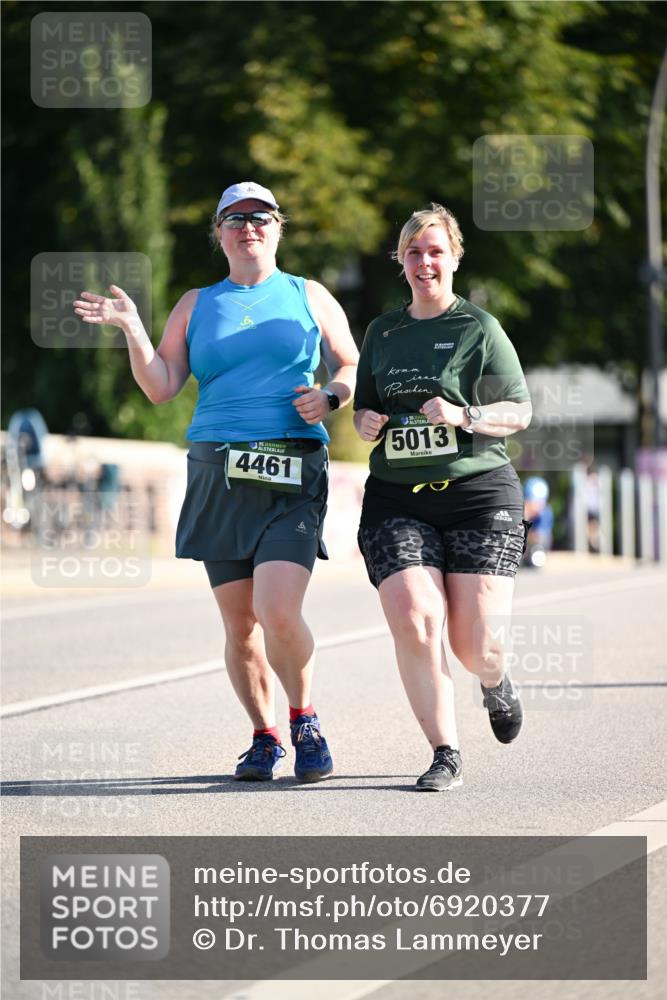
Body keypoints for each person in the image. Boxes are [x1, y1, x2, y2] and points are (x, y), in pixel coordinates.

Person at [74, 180, 359, 783]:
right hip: (217, 469)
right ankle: (264, 736)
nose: (249, 226)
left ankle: (305, 718)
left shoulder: (309, 294)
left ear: (279, 227)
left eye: (261, 217)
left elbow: (351, 363)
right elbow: (161, 386)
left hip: (292, 466)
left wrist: (330, 394)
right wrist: (132, 328)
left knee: (278, 610)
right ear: (219, 232)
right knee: (240, 625)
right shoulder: (195, 304)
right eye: (235, 218)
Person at [353, 203, 532, 792]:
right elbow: (362, 410)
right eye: (413, 252)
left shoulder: (477, 327)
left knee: (474, 641)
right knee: (415, 617)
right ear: (401, 261)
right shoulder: (382, 331)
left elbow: (520, 411)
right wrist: (367, 422)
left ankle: (494, 679)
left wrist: (466, 414)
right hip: (397, 497)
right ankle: (444, 752)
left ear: (454, 257)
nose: (424, 262)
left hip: (479, 494)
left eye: (435, 251)